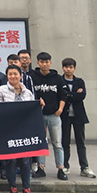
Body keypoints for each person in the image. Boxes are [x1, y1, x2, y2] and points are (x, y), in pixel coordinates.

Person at [0, 65, 35, 193]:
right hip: (9, 130)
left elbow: (32, 110)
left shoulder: (27, 92)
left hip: (24, 130)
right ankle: (12, 186)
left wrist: (39, 105)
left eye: (15, 74)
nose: (13, 76)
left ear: (20, 76)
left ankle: (27, 187)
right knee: (11, 160)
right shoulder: (2, 90)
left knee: (25, 160)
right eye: (10, 74)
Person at [29, 51, 67, 180]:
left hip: (54, 115)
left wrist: (60, 109)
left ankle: (61, 168)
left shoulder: (57, 78)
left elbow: (63, 95)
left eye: (46, 62)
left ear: (50, 63)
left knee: (57, 143)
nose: (44, 64)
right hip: (38, 116)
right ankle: (41, 168)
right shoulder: (32, 77)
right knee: (41, 142)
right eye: (42, 62)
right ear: (38, 62)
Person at [61, 58, 96, 178]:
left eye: (71, 67)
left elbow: (82, 96)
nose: (68, 69)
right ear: (63, 68)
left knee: (80, 142)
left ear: (74, 68)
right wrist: (75, 94)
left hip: (78, 116)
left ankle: (84, 167)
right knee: (65, 142)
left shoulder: (79, 81)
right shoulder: (59, 81)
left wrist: (69, 95)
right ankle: (65, 166)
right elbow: (62, 96)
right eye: (66, 67)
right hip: (64, 116)